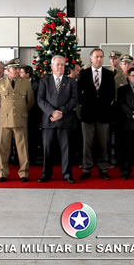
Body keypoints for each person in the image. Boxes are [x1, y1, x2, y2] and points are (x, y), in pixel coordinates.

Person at [0, 59, 35, 182]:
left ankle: (24, 173)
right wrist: (4, 112)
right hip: (5, 119)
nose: (17, 71)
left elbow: (30, 101)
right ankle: (2, 173)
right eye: (14, 68)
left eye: (18, 68)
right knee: (3, 147)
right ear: (7, 70)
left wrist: (22, 112)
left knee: (22, 148)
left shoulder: (26, 83)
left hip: (20, 118)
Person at [37, 55, 77, 183]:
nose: (60, 67)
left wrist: (61, 112)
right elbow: (40, 99)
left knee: (66, 149)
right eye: (58, 64)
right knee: (47, 149)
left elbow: (74, 99)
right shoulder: (44, 81)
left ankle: (67, 174)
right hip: (48, 120)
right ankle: (46, 174)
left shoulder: (71, 82)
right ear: (52, 66)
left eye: (62, 65)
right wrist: (52, 112)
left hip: (65, 120)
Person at [78, 49, 115, 181]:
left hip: (104, 114)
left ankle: (103, 169)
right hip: (87, 114)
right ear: (91, 59)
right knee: (87, 144)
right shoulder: (84, 73)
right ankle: (86, 168)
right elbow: (78, 93)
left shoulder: (109, 74)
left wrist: (104, 105)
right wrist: (86, 105)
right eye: (96, 57)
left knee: (103, 143)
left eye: (101, 56)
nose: (99, 59)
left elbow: (112, 94)